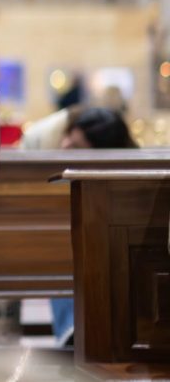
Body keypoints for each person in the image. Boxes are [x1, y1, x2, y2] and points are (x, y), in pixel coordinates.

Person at [50, 105, 138, 347]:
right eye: (68, 137)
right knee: (67, 250)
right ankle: (72, 329)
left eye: (76, 146)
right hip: (70, 240)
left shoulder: (127, 170)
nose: (65, 146)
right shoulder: (52, 153)